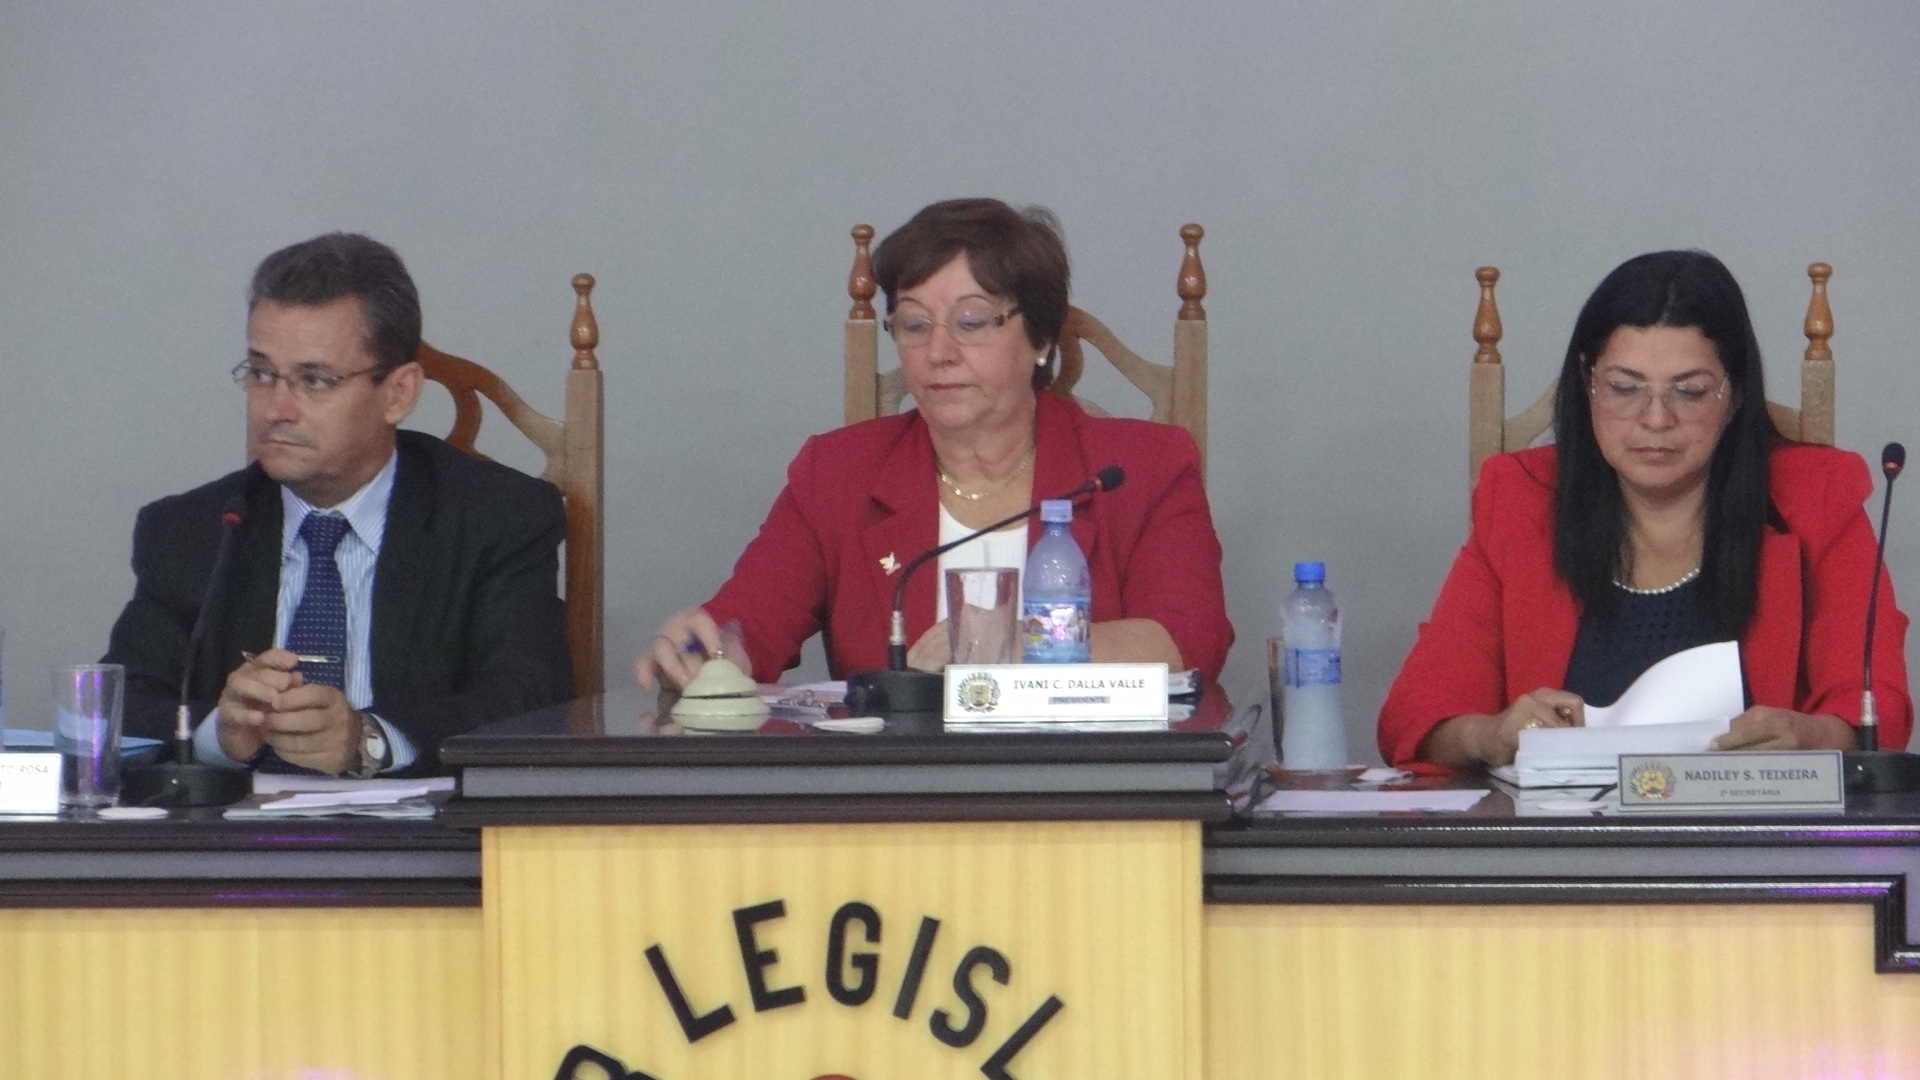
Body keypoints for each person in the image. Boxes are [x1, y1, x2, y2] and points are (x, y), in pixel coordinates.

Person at [637, 198, 1233, 691]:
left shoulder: (1141, 468)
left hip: (1091, 785)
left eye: (971, 322)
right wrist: (706, 654)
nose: (938, 352)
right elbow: (749, 625)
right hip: (895, 792)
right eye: (914, 324)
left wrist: (1007, 643)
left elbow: (1188, 641)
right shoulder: (838, 473)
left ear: (1041, 338)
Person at [1380, 250, 1911, 771]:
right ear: (1587, 385)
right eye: (1624, 388)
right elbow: (1414, 713)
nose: (1655, 419)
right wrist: (1490, 734)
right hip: (1559, 828)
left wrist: (1813, 736)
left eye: (1690, 392)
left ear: (1734, 396)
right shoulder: (1520, 499)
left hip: (1753, 827)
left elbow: (1876, 705)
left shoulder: (1817, 499)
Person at [104, 232, 573, 776]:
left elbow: (532, 698)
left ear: (398, 393)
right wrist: (216, 732)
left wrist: (369, 741)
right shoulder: (192, 530)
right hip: (238, 826)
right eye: (261, 374)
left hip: (429, 825)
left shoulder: (500, 518)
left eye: (314, 380)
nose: (276, 409)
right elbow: (120, 705)